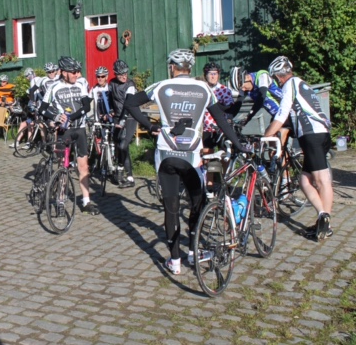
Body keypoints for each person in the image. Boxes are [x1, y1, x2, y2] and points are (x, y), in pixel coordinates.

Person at [123, 49, 248, 275]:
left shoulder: (161, 86)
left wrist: (150, 126)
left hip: (166, 152)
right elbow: (221, 120)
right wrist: (239, 145)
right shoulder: (203, 88)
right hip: (192, 154)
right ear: (190, 68)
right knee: (196, 203)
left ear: (172, 67)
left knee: (171, 208)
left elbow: (130, 103)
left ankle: (175, 261)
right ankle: (193, 252)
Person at [263, 56, 333, 240]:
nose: (276, 81)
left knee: (322, 180)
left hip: (312, 135)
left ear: (278, 76)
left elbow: (281, 115)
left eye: (275, 78)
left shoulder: (290, 85)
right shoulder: (302, 83)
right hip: (321, 133)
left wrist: (266, 135)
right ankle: (323, 220)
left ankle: (325, 221)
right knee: (304, 180)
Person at [39, 56, 98, 215]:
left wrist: (71, 117)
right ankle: (60, 200)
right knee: (62, 167)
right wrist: (55, 117)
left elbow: (86, 107)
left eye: (78, 71)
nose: (77, 75)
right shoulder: (53, 87)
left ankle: (86, 201)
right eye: (73, 72)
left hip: (80, 129)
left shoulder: (81, 84)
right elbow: (42, 109)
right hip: (64, 131)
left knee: (83, 167)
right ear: (64, 72)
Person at [201, 62, 235, 188]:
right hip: (207, 127)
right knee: (207, 154)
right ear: (206, 75)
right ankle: (209, 184)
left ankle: (225, 181)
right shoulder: (203, 89)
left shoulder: (224, 90)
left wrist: (215, 106)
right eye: (210, 74)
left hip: (221, 128)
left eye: (215, 74)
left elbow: (229, 107)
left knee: (225, 155)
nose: (213, 76)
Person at [108, 59, 137, 188]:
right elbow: (109, 99)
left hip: (129, 117)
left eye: (125, 73)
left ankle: (120, 168)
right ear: (115, 74)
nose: (124, 77)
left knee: (123, 145)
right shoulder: (112, 83)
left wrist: (123, 119)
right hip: (117, 117)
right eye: (121, 75)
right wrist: (109, 110)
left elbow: (128, 103)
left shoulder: (130, 84)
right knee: (119, 145)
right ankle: (129, 177)